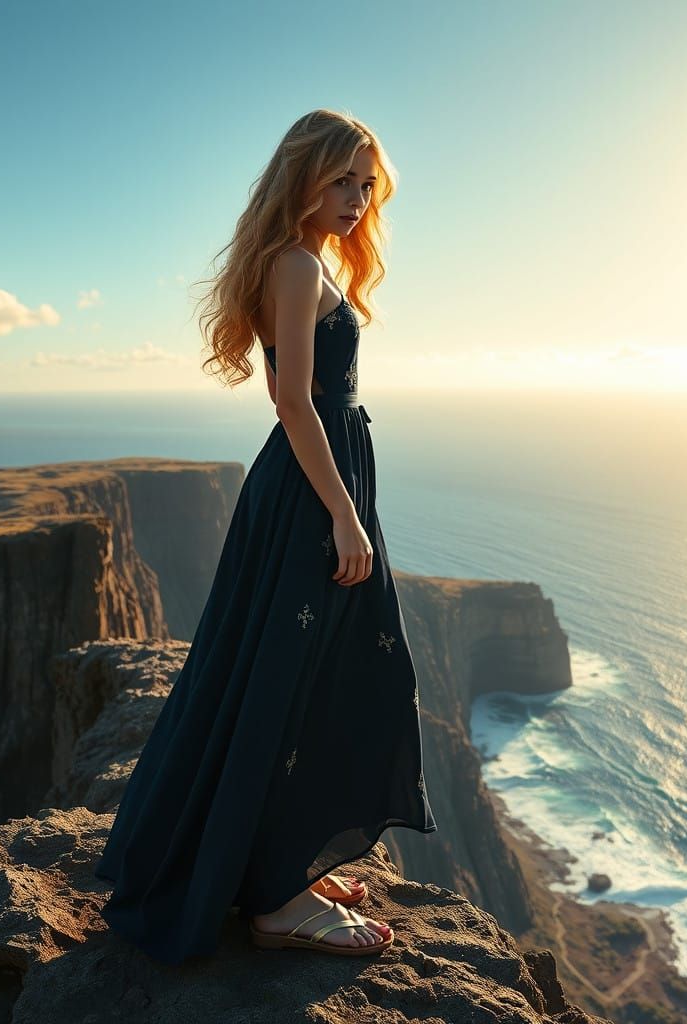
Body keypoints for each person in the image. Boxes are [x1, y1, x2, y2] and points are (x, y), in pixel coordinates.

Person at [94, 107, 437, 964]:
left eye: (367, 183)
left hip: (313, 483)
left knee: (306, 672)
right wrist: (345, 514)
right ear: (302, 179)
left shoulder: (302, 260)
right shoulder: (293, 263)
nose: (358, 198)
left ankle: (276, 864)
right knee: (298, 678)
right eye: (341, 180)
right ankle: (277, 902)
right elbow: (292, 403)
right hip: (312, 493)